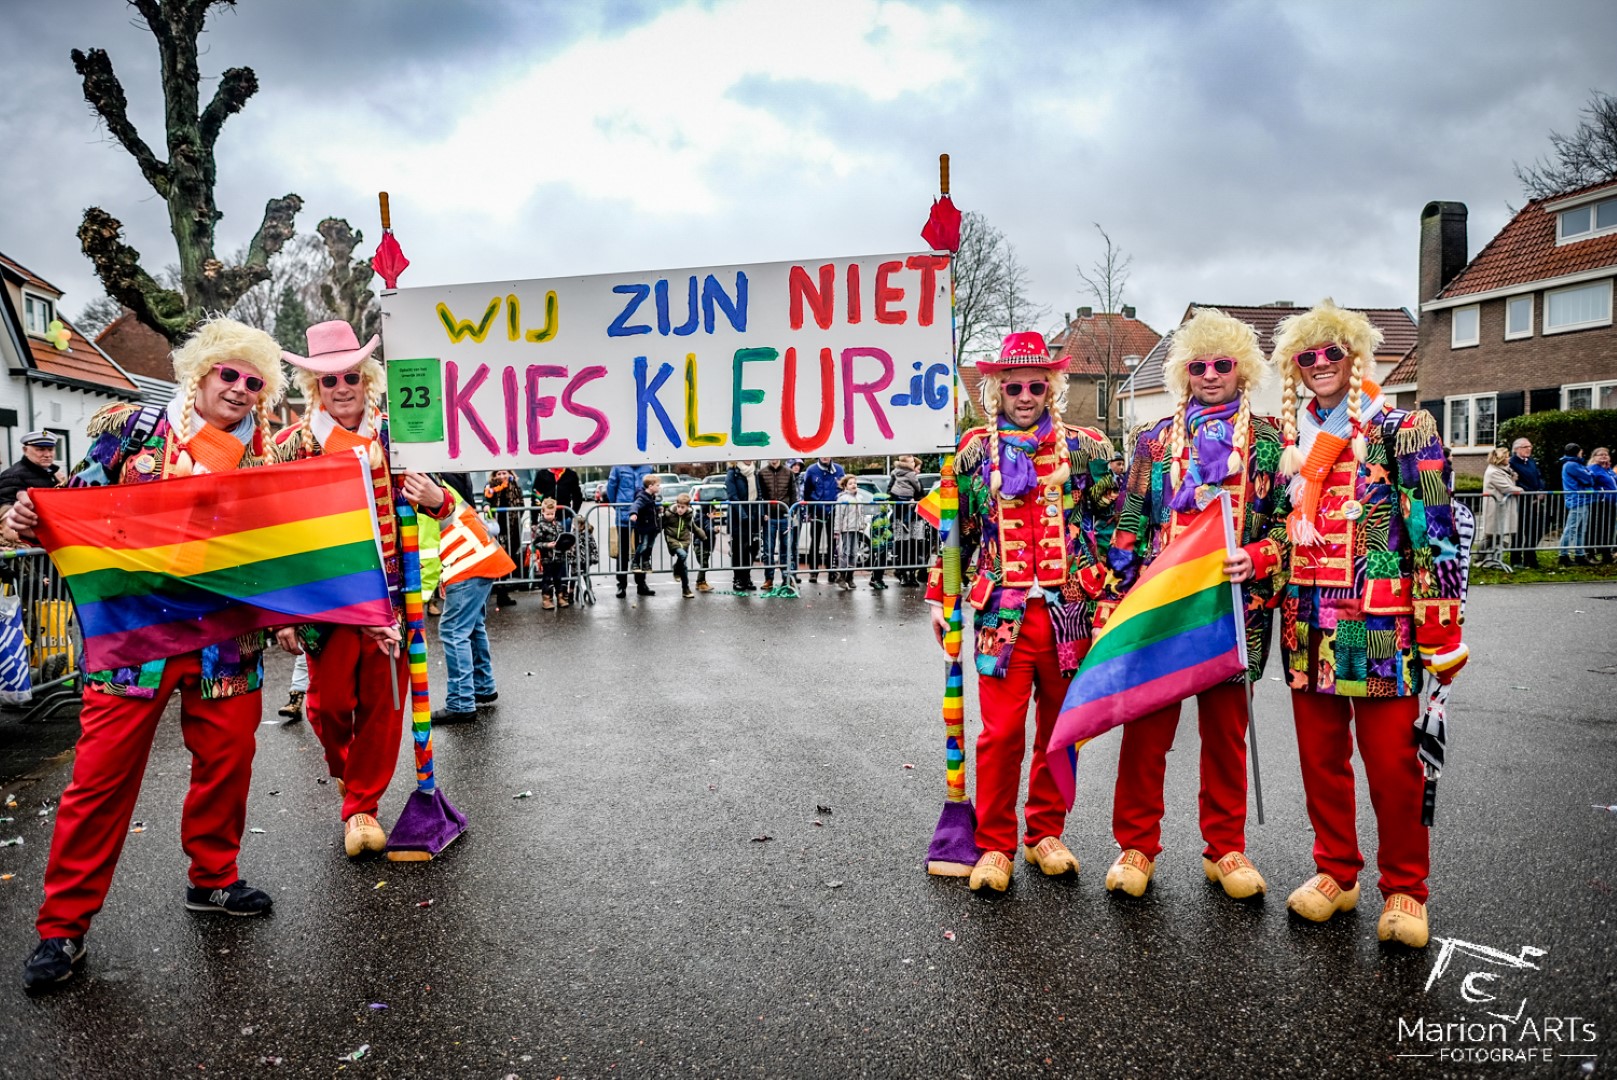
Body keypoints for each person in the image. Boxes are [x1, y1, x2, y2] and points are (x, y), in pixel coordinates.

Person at [8, 318, 293, 991]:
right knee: (99, 780)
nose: (240, 388)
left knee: (227, 765)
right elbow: (72, 508)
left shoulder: (270, 459)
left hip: (225, 642)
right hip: (134, 639)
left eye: (254, 382)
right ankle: (62, 927)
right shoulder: (132, 431)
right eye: (229, 373)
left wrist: (323, 614)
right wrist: (28, 519)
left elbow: (288, 548)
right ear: (201, 372)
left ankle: (213, 878)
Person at [1270, 299, 1468, 948]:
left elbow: (1435, 531)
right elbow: (1283, 532)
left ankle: (1405, 887)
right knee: (1320, 764)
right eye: (1308, 356)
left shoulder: (1403, 427)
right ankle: (1336, 871)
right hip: (1306, 628)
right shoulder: (1291, 442)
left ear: (1354, 357)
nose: (1320, 364)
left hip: (1379, 627)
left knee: (1392, 769)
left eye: (1332, 352)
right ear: (1295, 368)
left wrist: (1441, 630)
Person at [1099, 309, 1285, 900]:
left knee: (1226, 736)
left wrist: (1259, 556)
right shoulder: (1154, 440)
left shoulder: (1271, 440)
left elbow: (1287, 520)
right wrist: (1117, 601)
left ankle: (1226, 848)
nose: (1210, 375)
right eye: (1199, 365)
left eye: (1222, 365)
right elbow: (1129, 522)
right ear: (1184, 371)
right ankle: (1136, 844)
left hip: (1234, 609)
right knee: (1146, 731)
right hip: (1163, 609)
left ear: (1242, 370)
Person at [925, 331, 1113, 892]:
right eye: (1014, 387)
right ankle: (995, 843)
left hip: (1069, 611)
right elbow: (955, 531)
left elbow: (1112, 523)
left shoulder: (1086, 448)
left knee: (1061, 731)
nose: (1025, 396)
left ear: (1051, 388)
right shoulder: (972, 452)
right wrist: (939, 595)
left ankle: (1045, 833)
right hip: (1000, 614)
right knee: (1000, 735)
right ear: (997, 390)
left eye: (1036, 386)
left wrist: (1110, 595)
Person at [271, 321, 453, 857]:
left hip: (391, 600)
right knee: (329, 707)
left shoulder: (402, 436)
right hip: (324, 602)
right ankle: (351, 777)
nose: (342, 387)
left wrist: (436, 499)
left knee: (383, 707)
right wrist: (282, 612)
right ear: (315, 386)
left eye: (350, 376)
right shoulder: (292, 446)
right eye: (329, 380)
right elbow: (276, 534)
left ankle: (361, 807)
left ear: (366, 378)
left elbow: (447, 502)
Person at [431, 487, 517, 723]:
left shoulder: (416, 491)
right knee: (472, 626)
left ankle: (461, 702)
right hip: (481, 556)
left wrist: (424, 594)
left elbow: (426, 551)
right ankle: (482, 686)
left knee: (453, 631)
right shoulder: (437, 483)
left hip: (467, 563)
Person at [604, 462, 653, 597]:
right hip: (624, 513)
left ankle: (641, 583)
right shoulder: (618, 467)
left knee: (641, 549)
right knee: (623, 550)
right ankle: (621, 584)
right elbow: (611, 488)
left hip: (642, 514)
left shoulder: (648, 467)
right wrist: (617, 506)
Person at [483, 469, 526, 606]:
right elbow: (485, 499)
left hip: (513, 528)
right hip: (497, 529)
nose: (502, 476)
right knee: (499, 559)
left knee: (509, 558)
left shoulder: (516, 486)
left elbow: (521, 504)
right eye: (499, 474)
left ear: (510, 474)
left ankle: (503, 592)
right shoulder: (490, 486)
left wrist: (516, 516)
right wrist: (486, 505)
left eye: (504, 473)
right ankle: (497, 591)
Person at [800, 456, 845, 582]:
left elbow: (843, 489)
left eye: (827, 454)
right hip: (817, 510)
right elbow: (807, 492)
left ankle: (831, 571)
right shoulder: (811, 470)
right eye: (822, 454)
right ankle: (814, 572)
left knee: (833, 542)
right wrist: (809, 510)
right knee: (815, 541)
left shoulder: (839, 470)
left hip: (834, 510)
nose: (825, 457)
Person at [1477, 446, 1522, 572]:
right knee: (1494, 535)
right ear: (1500, 459)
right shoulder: (1494, 472)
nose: (1509, 459)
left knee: (1496, 535)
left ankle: (1488, 558)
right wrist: (1521, 490)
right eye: (1506, 457)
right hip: (1496, 507)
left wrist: (1512, 478)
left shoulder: (1504, 470)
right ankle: (1486, 559)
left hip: (1502, 506)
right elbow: (1506, 488)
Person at [756, 458, 797, 589]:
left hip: (785, 516)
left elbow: (793, 493)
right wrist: (763, 513)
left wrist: (792, 511)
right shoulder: (761, 473)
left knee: (786, 549)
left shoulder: (788, 472)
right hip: (769, 518)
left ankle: (787, 578)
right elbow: (760, 495)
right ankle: (769, 579)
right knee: (768, 550)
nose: (773, 459)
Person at [887, 455, 926, 585]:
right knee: (902, 546)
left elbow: (921, 495)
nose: (918, 470)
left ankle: (912, 574)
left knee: (914, 546)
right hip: (900, 517)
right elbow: (890, 494)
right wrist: (901, 501)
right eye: (917, 467)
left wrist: (915, 501)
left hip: (915, 518)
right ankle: (902, 573)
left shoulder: (916, 479)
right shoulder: (897, 477)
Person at [1506, 437, 1545, 567]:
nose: (1529, 449)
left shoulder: (1531, 461)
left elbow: (1539, 476)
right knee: (1518, 531)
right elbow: (1515, 481)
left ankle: (1530, 556)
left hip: (1535, 500)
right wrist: (1529, 492)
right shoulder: (1512, 463)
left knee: (1535, 529)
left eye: (1530, 446)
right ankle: (1516, 559)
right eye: (1525, 447)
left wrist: (1540, 489)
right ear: (1517, 449)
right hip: (1521, 500)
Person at [725, 460, 763, 593]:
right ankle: (738, 578)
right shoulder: (733, 473)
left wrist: (761, 513)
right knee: (739, 549)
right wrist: (743, 515)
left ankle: (747, 577)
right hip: (738, 517)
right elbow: (733, 496)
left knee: (753, 548)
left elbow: (759, 494)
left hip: (753, 515)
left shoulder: (754, 472)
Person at [0, 430, 64, 507]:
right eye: (41, 449)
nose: (47, 455)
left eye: (51, 449)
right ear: (25, 450)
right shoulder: (12, 476)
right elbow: (6, 508)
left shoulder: (52, 473)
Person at [663, 491, 706, 598]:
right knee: (682, 555)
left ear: (688, 507)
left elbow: (693, 528)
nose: (680, 509)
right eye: (678, 506)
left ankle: (685, 589)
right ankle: (676, 568)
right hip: (672, 539)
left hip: (684, 541)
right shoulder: (669, 514)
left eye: (683, 507)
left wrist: (703, 537)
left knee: (684, 566)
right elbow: (660, 525)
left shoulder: (688, 516)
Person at [1559, 443, 1596, 567]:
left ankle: (1580, 554)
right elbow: (1588, 478)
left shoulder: (1575, 464)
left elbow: (1588, 477)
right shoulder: (1572, 465)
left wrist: (1589, 475)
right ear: (1577, 452)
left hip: (1582, 499)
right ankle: (1563, 555)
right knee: (1571, 528)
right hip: (1577, 500)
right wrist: (1590, 475)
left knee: (1581, 529)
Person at [531, 498, 570, 608]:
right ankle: (546, 599)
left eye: (552, 514)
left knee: (558, 578)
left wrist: (566, 544)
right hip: (547, 558)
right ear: (542, 512)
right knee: (547, 578)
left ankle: (560, 597)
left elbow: (563, 537)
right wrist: (547, 545)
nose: (550, 516)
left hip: (559, 556)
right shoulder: (541, 526)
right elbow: (536, 543)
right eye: (548, 514)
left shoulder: (558, 525)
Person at [627, 474, 662, 596]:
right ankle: (635, 562)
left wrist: (658, 510)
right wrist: (633, 513)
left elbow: (651, 510)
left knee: (650, 546)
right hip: (645, 527)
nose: (659, 487)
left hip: (652, 527)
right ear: (650, 486)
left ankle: (646, 562)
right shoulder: (642, 497)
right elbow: (636, 505)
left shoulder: (652, 497)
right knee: (643, 545)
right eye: (658, 485)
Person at [832, 474, 867, 589]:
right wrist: (837, 530)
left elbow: (862, 512)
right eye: (850, 483)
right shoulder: (842, 498)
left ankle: (850, 577)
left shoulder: (860, 497)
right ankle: (841, 576)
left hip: (856, 528)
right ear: (845, 486)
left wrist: (863, 523)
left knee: (854, 552)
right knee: (845, 553)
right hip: (846, 529)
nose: (853, 485)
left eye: (855, 483)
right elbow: (838, 515)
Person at [1589, 447, 1616, 564]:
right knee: (1597, 528)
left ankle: (1606, 553)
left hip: (1611, 502)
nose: (1604, 456)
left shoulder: (1608, 470)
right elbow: (1590, 483)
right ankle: (1590, 553)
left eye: (1606, 454)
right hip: (1599, 502)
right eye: (1601, 455)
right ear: (1594, 457)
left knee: (1609, 528)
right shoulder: (1592, 469)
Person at [868, 493, 893, 589]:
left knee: (883, 561)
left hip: (883, 542)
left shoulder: (883, 515)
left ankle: (879, 579)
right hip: (879, 542)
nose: (887, 505)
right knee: (879, 561)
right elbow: (879, 530)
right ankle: (875, 579)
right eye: (885, 503)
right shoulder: (878, 516)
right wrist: (890, 535)